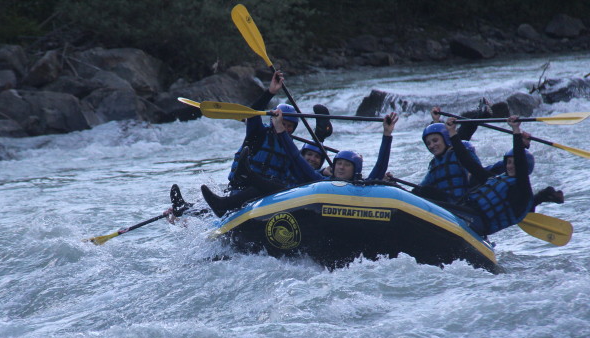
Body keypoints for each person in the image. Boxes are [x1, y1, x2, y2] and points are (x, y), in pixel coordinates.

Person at [201, 110, 398, 217]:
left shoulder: (360, 186)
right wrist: (279, 130)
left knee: (274, 185)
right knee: (273, 185)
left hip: (344, 214)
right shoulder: (320, 180)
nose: (341, 167)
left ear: (356, 171)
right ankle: (237, 186)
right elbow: (297, 158)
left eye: (347, 165)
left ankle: (246, 177)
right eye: (339, 163)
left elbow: (380, 167)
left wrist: (387, 135)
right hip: (299, 205)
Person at [445, 116, 535, 237]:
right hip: (466, 212)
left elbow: (520, 160)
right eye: (508, 162)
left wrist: (516, 130)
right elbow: (468, 162)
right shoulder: (493, 179)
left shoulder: (523, 191)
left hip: (478, 222)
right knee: (429, 192)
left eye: (514, 163)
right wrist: (452, 132)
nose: (511, 166)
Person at [413, 121, 482, 203]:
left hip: (464, 204)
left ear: (446, 138)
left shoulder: (460, 154)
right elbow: (422, 186)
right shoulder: (434, 163)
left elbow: (478, 174)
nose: (431, 146)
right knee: (421, 190)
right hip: (446, 206)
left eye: (435, 141)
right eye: (428, 143)